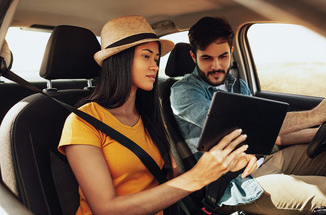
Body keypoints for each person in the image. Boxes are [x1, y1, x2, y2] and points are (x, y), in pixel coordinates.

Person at [58, 15, 258, 215]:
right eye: (146, 56)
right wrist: (198, 176)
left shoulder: (149, 117)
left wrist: (227, 164)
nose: (155, 65)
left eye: (156, 58)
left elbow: (174, 176)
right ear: (120, 59)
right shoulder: (83, 121)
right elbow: (105, 209)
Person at [170, 16, 326, 215]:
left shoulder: (238, 85)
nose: (216, 66)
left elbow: (266, 135)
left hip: (265, 160)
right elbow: (243, 125)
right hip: (233, 183)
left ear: (232, 53)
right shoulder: (184, 92)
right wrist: (315, 114)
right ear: (193, 57)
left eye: (223, 56)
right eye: (207, 58)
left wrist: (324, 131)